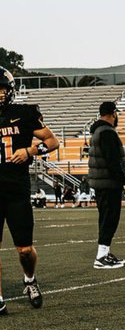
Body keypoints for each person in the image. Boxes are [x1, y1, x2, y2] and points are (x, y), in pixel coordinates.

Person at [0, 67, 59, 312]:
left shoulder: (24, 114)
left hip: (16, 190)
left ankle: (29, 279)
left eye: (1, 90)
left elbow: (53, 141)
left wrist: (30, 151)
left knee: (24, 250)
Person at [87, 101, 125, 269]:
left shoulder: (98, 131)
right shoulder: (107, 132)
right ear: (113, 113)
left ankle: (104, 253)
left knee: (106, 218)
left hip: (101, 182)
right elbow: (113, 161)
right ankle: (101, 256)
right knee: (110, 219)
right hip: (108, 183)